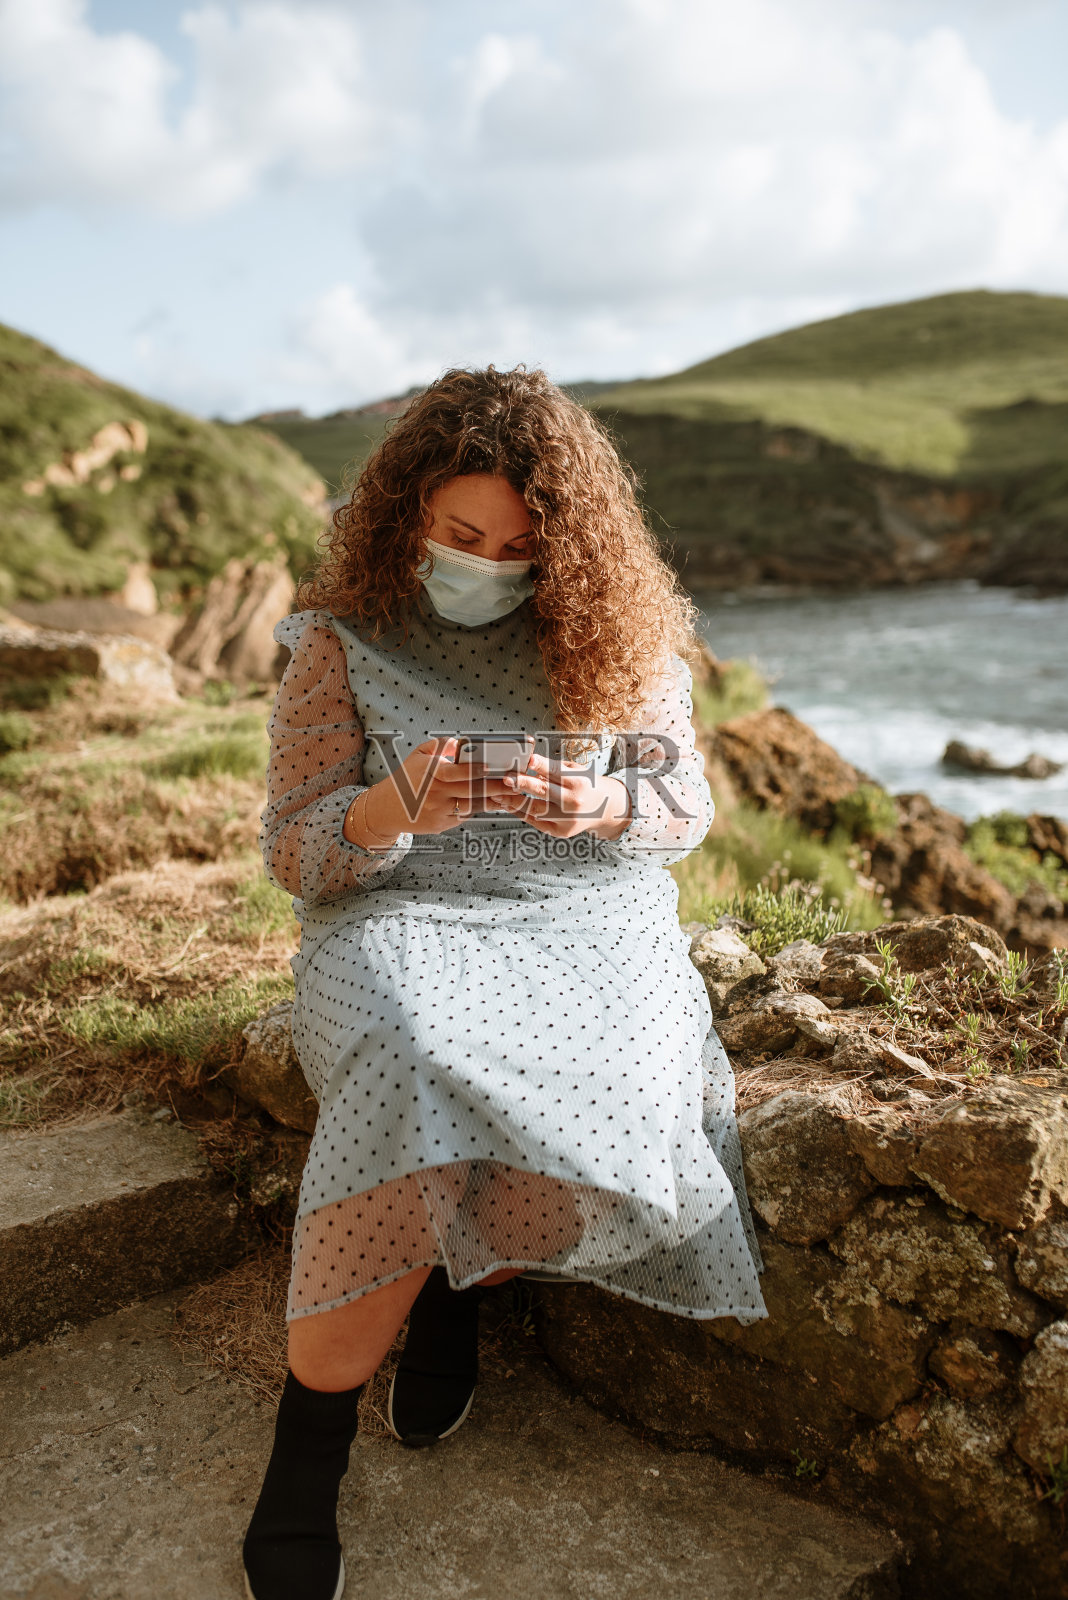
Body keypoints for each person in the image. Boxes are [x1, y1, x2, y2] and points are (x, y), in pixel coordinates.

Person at [242, 365, 767, 1600]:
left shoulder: (617, 633)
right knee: (418, 1050)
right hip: (398, 909)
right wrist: (393, 805)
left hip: (586, 914)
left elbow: (681, 808)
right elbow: (293, 850)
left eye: (520, 548)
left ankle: (452, 1294)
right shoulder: (337, 638)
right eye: (460, 535)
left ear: (564, 546)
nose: (486, 563)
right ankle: (305, 1450)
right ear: (408, 506)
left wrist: (598, 802)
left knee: (595, 1077)